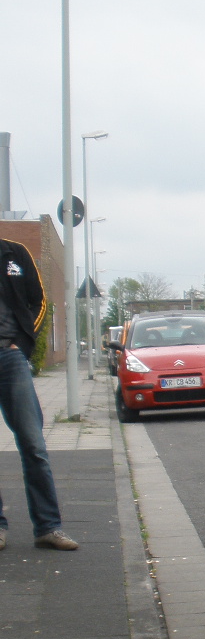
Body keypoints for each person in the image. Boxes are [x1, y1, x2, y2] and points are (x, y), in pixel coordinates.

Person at [0, 237, 78, 552]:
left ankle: (48, 527)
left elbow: (40, 301)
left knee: (33, 444)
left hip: (10, 355)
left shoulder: (15, 253)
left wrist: (21, 343)